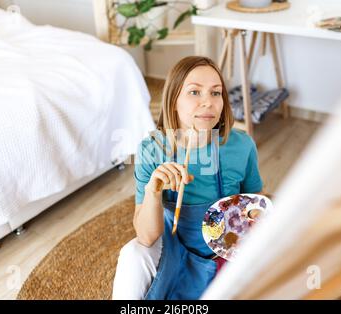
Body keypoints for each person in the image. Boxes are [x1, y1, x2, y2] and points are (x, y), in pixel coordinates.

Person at [112, 56, 264, 300]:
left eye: (216, 93)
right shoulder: (152, 150)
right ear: (173, 101)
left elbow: (256, 204)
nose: (208, 103)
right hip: (173, 246)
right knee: (132, 254)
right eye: (194, 92)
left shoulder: (242, 145)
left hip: (228, 250)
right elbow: (147, 236)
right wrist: (153, 191)